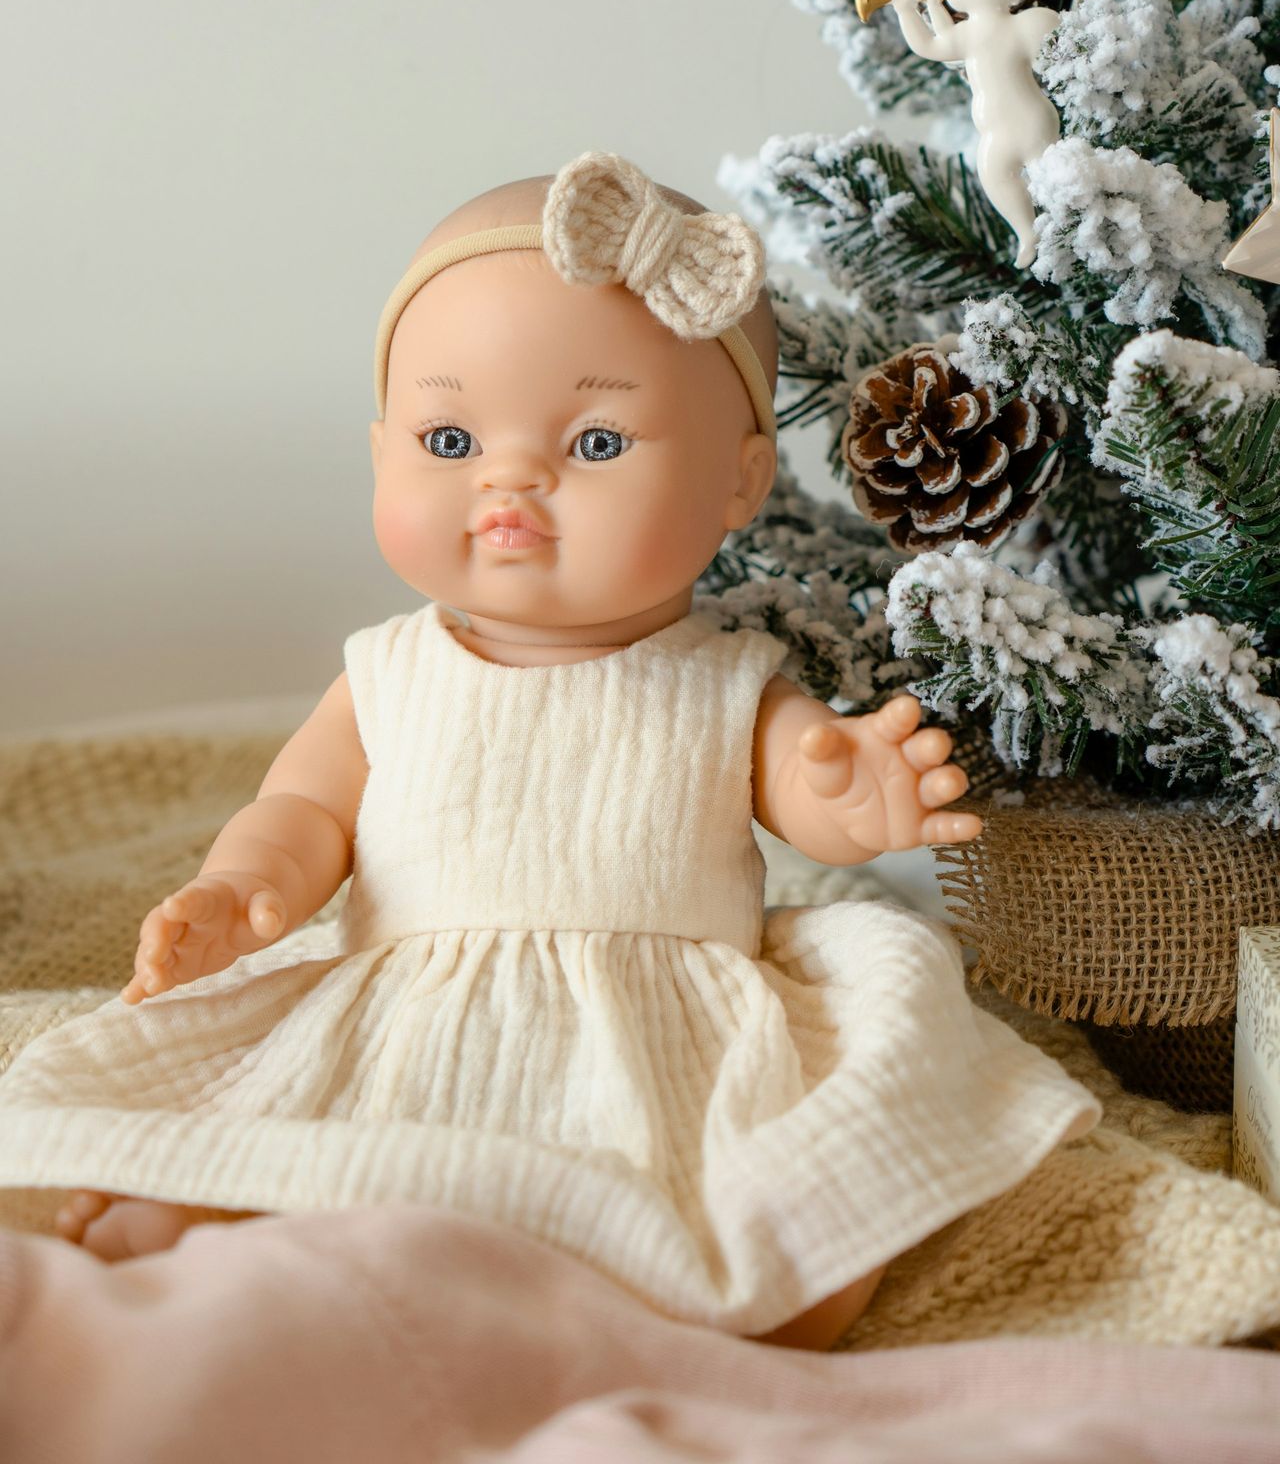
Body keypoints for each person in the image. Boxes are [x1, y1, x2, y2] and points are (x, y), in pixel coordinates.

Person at [0, 151, 1100, 1349]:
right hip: (401, 1017)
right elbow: (304, 812)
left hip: (649, 1036)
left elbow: (802, 792)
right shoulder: (387, 672)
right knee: (279, 1133)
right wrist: (242, 886)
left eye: (593, 445)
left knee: (748, 1232)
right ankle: (211, 1237)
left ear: (739, 482)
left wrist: (850, 793)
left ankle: (679, 1308)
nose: (508, 478)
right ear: (379, 455)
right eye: (449, 435)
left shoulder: (729, 680)